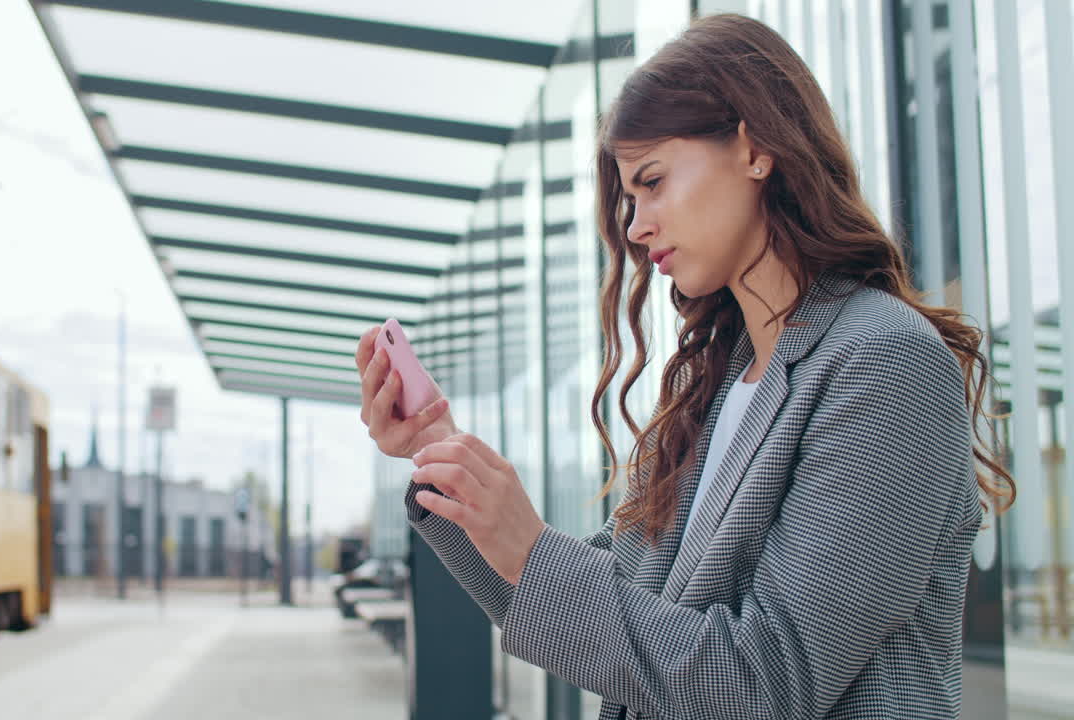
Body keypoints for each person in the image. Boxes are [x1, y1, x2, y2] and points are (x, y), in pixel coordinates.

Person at [353, 13, 1015, 720]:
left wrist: (535, 551)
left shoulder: (885, 362)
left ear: (754, 146)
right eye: (630, 198)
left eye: (654, 181)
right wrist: (438, 449)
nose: (636, 226)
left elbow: (768, 680)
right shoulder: (720, 383)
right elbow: (610, 614)